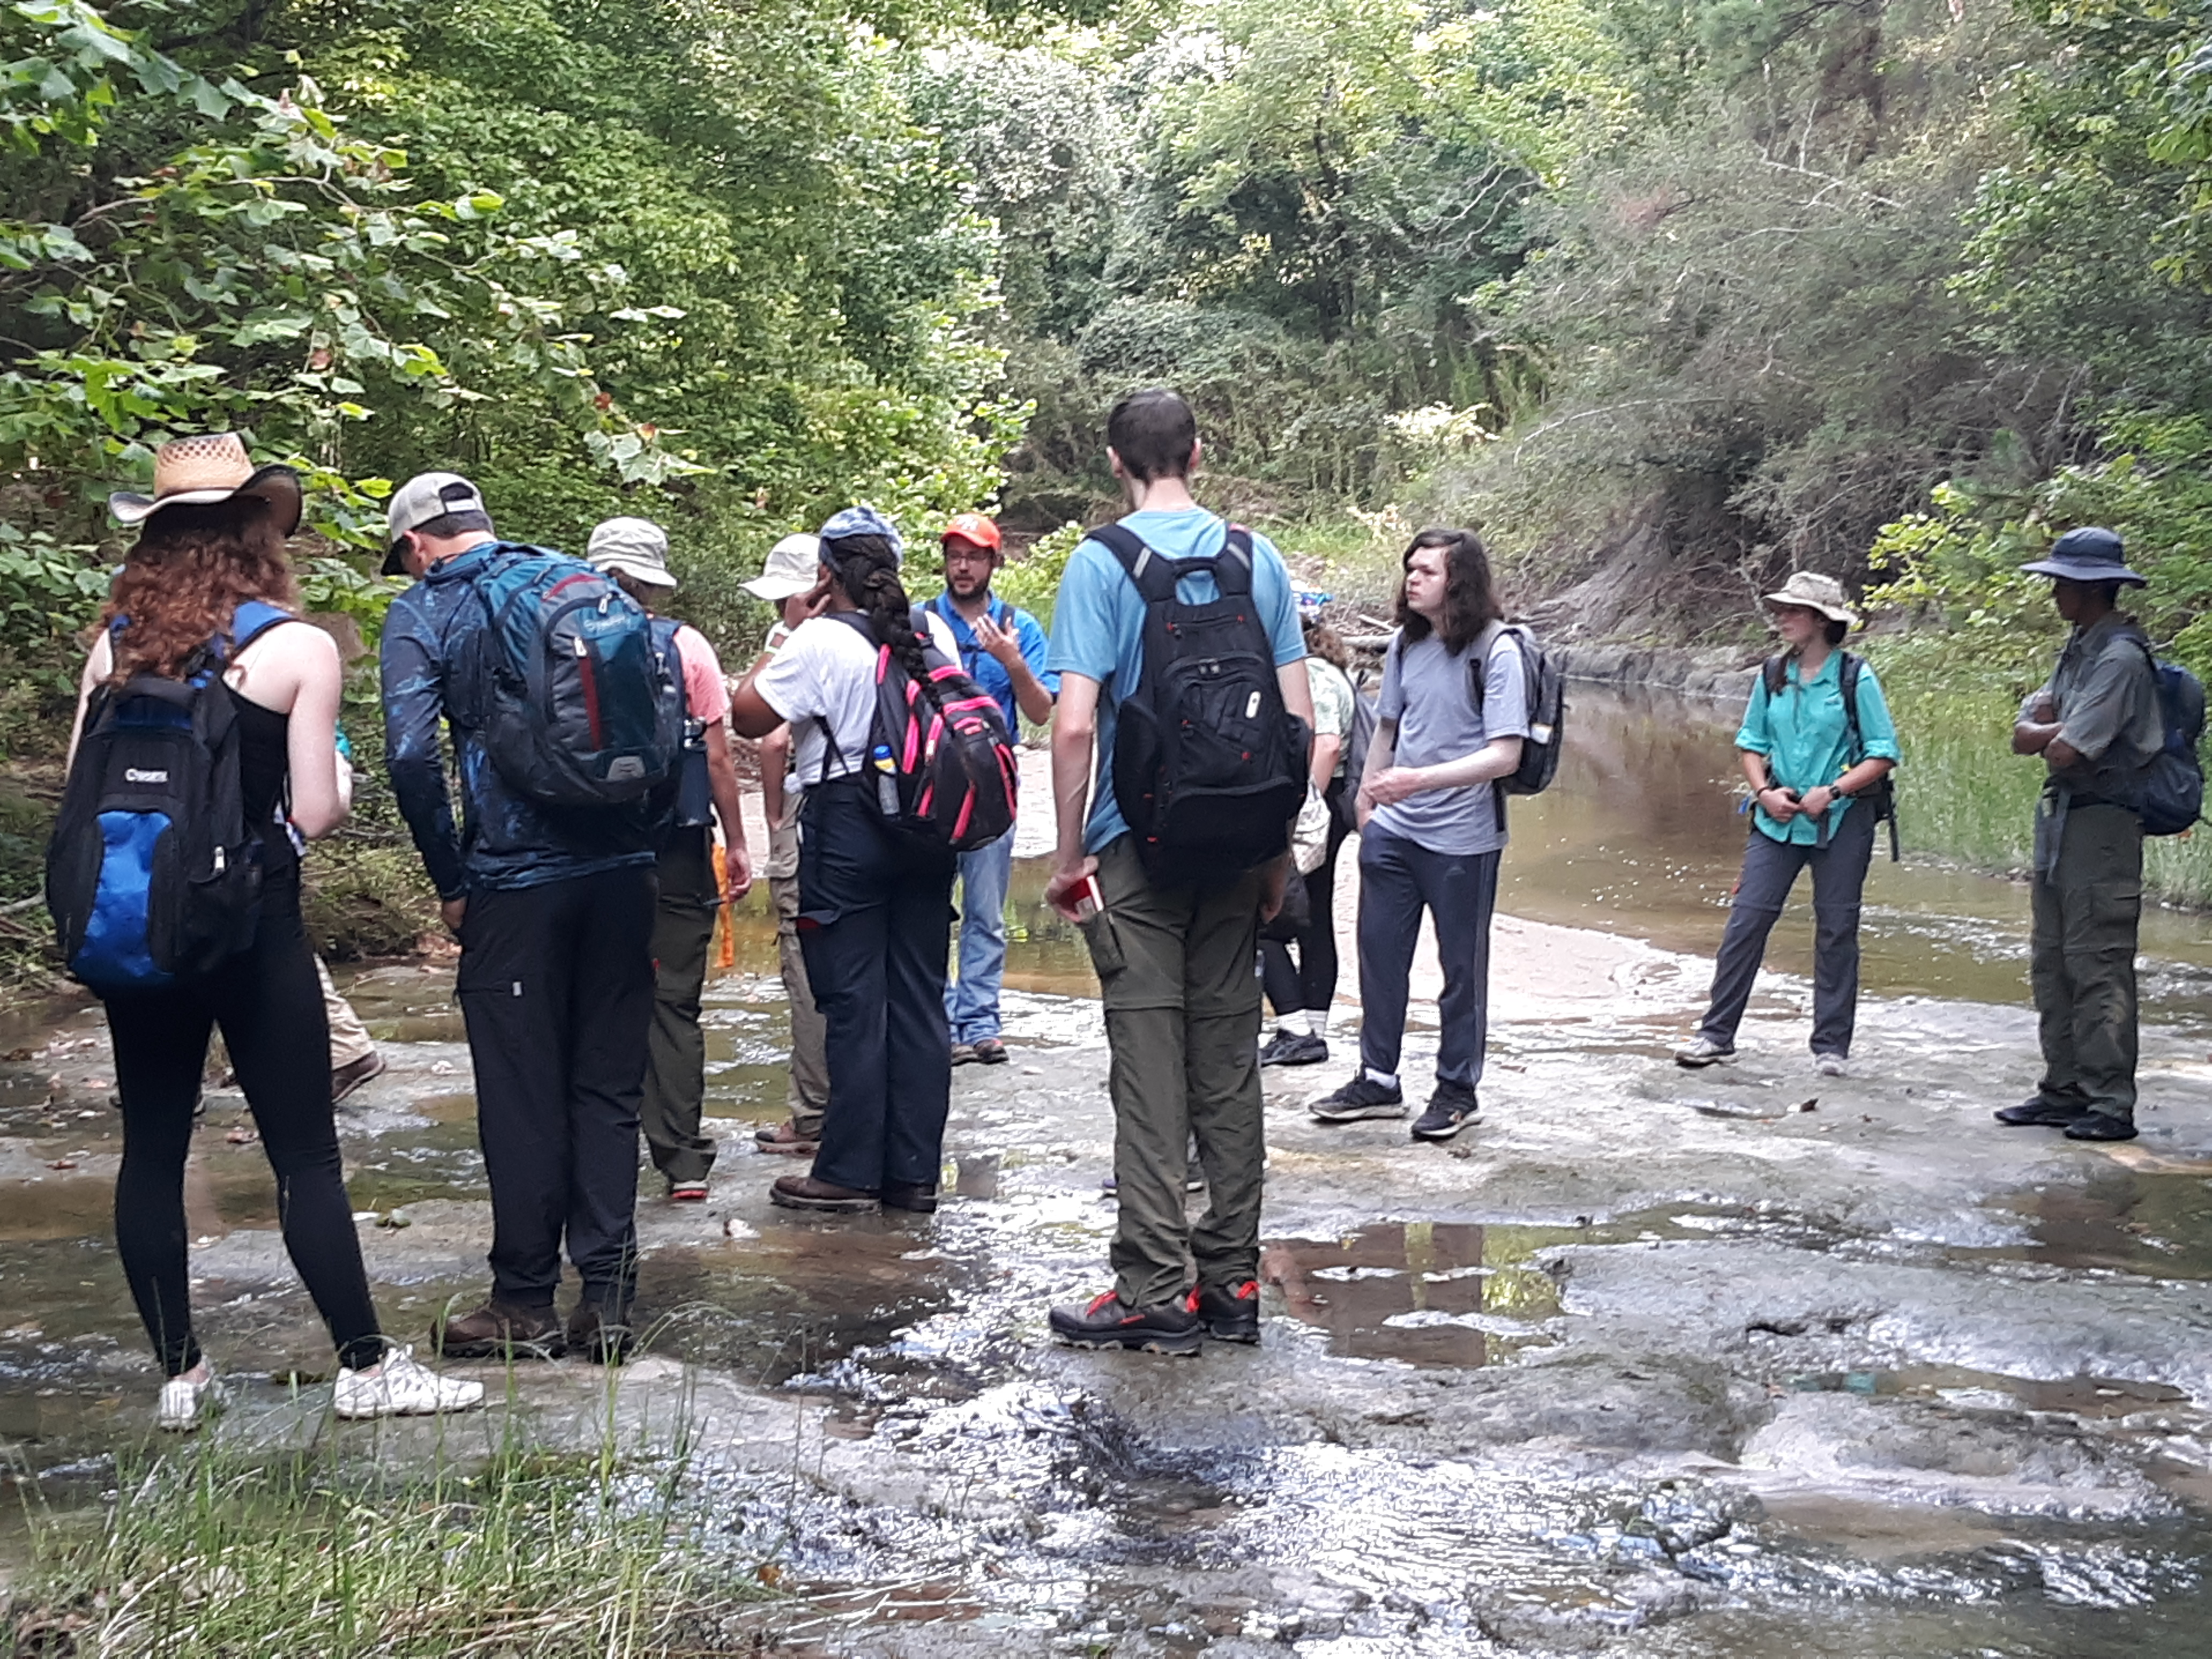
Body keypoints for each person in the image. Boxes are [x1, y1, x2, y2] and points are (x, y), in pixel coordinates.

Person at [81, 434, 481, 1429]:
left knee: (151, 1151)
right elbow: (318, 806)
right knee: (303, 1153)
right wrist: (319, 795)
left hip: (143, 926)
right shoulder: (294, 647)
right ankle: (363, 1367)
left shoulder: (114, 644)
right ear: (258, 535)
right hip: (252, 924)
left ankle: (180, 1378)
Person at [1042, 387, 1313, 1354]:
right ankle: (1231, 1282)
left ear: (1113, 462)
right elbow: (1298, 727)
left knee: (1150, 1073)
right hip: (1241, 849)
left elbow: (1074, 724)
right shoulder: (1258, 558)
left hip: (1137, 850)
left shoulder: (1099, 564)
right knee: (1228, 1069)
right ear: (1196, 453)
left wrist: (1071, 855)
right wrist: (1278, 852)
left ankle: (1154, 1288)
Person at [381, 472, 656, 1362]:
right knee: (608, 1088)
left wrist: (450, 878)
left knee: (521, 1091)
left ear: (419, 544)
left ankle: (525, 1303)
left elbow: (411, 755)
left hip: (513, 880)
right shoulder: (584, 582)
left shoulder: (429, 612)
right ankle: (609, 1304)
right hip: (622, 871)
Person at [726, 507, 963, 1213]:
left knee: (855, 1000)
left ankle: (849, 1170)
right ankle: (913, 1173)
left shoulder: (819, 639)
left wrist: (789, 631)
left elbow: (748, 716)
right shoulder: (931, 629)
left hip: (848, 826)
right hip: (926, 825)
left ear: (825, 574)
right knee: (920, 999)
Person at [1310, 528, 1527, 1142]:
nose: (1413, 578)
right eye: (1411, 568)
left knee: (1461, 969)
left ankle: (1457, 1090)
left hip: (1463, 837)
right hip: (1394, 831)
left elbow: (1505, 756)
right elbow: (1387, 726)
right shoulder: (1407, 645)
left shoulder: (1497, 651)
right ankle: (1378, 1080)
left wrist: (1417, 781)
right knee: (1379, 959)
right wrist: (1367, 799)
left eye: (1428, 570)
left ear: (1460, 580)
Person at [586, 517, 756, 1200]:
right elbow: (716, 756)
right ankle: (682, 1162)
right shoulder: (686, 646)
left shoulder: (555, 635)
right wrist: (738, 841)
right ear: (653, 583)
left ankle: (597, 1154)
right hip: (677, 845)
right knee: (673, 1002)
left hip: (591, 845)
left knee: (596, 998)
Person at [1673, 572, 1901, 1077]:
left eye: (1792, 611)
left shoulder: (1855, 677)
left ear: (1821, 620)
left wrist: (1833, 791)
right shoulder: (1772, 673)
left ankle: (1831, 1048)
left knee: (1837, 929)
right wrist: (1764, 793)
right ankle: (1716, 1034)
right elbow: (1751, 743)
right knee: (1746, 922)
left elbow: (1885, 754)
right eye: (1781, 610)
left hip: (1842, 821)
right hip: (1776, 822)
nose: (1781, 618)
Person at [1997, 528, 2163, 1144]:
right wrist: (2042, 731)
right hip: (2064, 822)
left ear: (2092, 588)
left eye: (2062, 582)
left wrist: (2045, 732)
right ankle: (2062, 1088)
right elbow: (2022, 734)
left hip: (2104, 824)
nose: (2054, 592)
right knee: (2052, 961)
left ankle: (2109, 1102)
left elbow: (2064, 748)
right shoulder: (2079, 647)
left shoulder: (2119, 658)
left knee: (2098, 964)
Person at [924, 512, 1059, 1065]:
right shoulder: (921, 621)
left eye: (974, 556)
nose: (962, 566)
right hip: (930, 788)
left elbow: (1041, 711)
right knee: (930, 908)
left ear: (993, 563)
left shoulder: (1018, 626)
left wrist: (1013, 662)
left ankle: (980, 1022)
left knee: (985, 911)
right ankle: (939, 1020)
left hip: (991, 793)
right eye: (955, 555)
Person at [744, 533, 832, 1157]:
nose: (780, 614)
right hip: (880, 821)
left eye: (785, 602)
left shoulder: (803, 646)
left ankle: (812, 1115)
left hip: (814, 815)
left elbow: (765, 735)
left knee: (805, 970)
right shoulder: (894, 629)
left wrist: (775, 817)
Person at [1259, 593, 1357, 1066]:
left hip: (1314, 807)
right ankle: (1310, 1025)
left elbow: (1327, 744)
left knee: (1264, 913)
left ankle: (1295, 1025)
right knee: (1314, 913)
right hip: (1332, 807)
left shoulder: (1310, 674)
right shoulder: (1328, 669)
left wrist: (1299, 809)